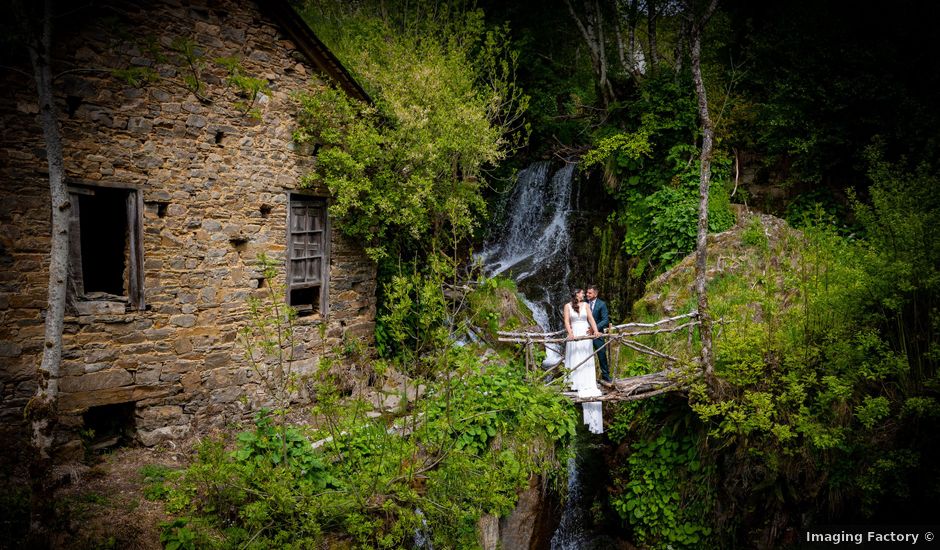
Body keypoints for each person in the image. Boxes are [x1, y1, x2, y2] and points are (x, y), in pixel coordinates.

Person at [563, 288, 603, 434]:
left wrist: (596, 330)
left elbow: (591, 319)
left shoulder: (586, 305)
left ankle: (586, 381)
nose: (583, 295)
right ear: (576, 295)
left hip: (585, 334)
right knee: (575, 356)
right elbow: (566, 321)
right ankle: (574, 382)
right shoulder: (567, 306)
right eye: (581, 293)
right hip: (575, 334)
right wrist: (570, 333)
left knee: (585, 357)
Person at [586, 284, 611, 384]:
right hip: (584, 333)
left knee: (601, 354)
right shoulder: (583, 304)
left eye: (589, 293)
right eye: (586, 292)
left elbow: (605, 320)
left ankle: (605, 376)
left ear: (595, 294)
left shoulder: (601, 304)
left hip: (597, 333)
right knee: (584, 355)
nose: (587, 294)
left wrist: (594, 328)